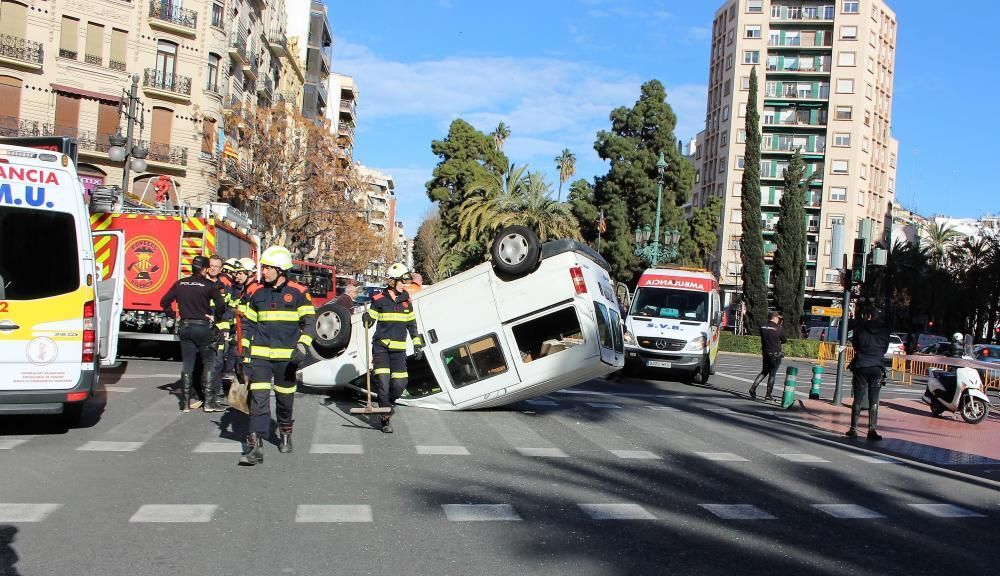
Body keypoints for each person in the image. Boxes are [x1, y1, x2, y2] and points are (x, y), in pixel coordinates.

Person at [238, 246, 316, 465]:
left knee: (284, 400)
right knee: (259, 399)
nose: (264, 272)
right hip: (261, 356)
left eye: (269, 268)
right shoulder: (256, 292)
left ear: (281, 270)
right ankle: (255, 446)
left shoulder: (299, 292)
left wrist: (302, 346)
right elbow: (249, 323)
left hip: (287, 359)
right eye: (264, 268)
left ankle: (285, 432)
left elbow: (309, 323)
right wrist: (243, 352)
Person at [362, 263, 425, 434]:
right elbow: (371, 320)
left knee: (399, 384)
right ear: (391, 282)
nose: (404, 284)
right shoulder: (378, 300)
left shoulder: (407, 302)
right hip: (381, 348)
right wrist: (367, 317)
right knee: (382, 382)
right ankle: (385, 418)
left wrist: (417, 344)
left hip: (398, 351)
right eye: (401, 281)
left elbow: (412, 325)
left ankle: (388, 402)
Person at [160, 255, 226, 412]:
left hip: (186, 326)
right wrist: (216, 317)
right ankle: (209, 402)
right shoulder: (209, 285)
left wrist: (172, 315)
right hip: (203, 327)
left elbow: (164, 302)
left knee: (188, 364)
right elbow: (221, 304)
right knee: (208, 362)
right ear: (205, 269)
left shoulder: (180, 283)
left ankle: (186, 404)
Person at [846, 307, 891, 440]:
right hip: (877, 366)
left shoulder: (860, 328)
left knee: (858, 397)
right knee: (874, 399)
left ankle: (853, 428)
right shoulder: (885, 330)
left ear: (869, 315)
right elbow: (885, 349)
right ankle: (872, 430)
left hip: (861, 364)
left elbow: (855, 345)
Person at [749, 311, 787, 401]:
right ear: (774, 318)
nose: (779, 320)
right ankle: (768, 394)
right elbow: (784, 340)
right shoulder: (778, 328)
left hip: (765, 353)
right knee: (772, 374)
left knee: (764, 371)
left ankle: (753, 388)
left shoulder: (762, 327)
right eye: (778, 318)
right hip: (775, 354)